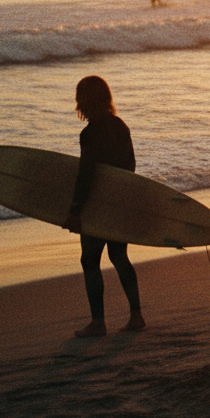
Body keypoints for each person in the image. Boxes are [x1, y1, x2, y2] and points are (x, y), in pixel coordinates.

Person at [62, 75, 145, 337]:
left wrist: (75, 211)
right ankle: (136, 316)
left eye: (79, 97)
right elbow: (130, 166)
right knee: (119, 256)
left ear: (87, 100)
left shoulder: (90, 133)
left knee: (90, 260)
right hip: (120, 201)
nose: (77, 102)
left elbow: (86, 175)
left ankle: (98, 323)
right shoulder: (120, 126)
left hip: (98, 205)